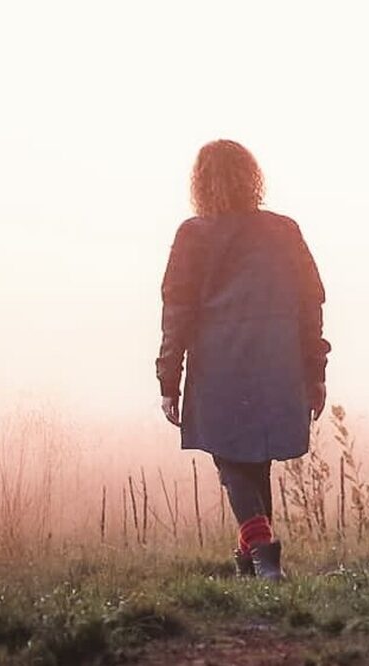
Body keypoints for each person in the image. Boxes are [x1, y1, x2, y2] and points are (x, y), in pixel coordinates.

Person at [156, 139, 330, 580]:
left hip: (220, 364)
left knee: (232, 459)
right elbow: (312, 302)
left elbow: (177, 309)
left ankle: (264, 555)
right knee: (254, 461)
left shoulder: (192, 235)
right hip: (279, 361)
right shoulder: (284, 230)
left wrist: (169, 379)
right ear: (251, 177)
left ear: (201, 182)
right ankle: (251, 561)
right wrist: (315, 371)